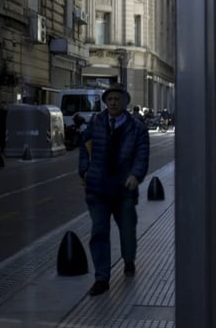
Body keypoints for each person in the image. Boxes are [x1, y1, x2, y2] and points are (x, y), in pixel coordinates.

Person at [78, 83, 150, 296]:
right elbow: (85, 148)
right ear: (105, 102)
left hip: (123, 189)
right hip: (97, 188)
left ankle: (128, 260)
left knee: (127, 228)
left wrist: (135, 175)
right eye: (110, 99)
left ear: (125, 102)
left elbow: (142, 154)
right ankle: (102, 278)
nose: (113, 102)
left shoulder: (137, 127)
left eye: (117, 99)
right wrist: (84, 171)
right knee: (99, 231)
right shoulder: (96, 122)